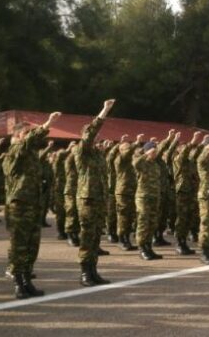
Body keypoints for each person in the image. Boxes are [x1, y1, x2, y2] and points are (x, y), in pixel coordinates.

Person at [3, 112, 60, 299]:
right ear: (19, 136)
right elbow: (27, 143)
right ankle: (18, 283)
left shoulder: (31, 155)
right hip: (19, 205)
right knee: (19, 245)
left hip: (33, 204)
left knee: (31, 245)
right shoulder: (15, 150)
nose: (31, 136)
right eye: (27, 133)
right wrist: (48, 123)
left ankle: (27, 280)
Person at [75, 99, 115, 287]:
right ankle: (84, 273)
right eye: (94, 136)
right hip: (88, 199)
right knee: (87, 236)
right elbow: (91, 132)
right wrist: (105, 110)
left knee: (96, 235)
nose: (98, 138)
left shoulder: (98, 155)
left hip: (99, 199)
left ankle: (93, 270)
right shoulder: (81, 151)